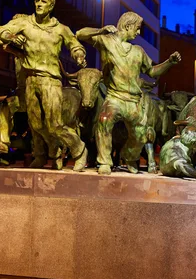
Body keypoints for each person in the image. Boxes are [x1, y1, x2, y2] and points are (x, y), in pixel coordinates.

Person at [0, 0, 88, 171]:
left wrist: (79, 54)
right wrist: (10, 36)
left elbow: (75, 44)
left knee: (55, 124)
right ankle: (51, 151)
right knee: (35, 125)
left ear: (51, 6)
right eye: (36, 1)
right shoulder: (24, 23)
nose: (39, 4)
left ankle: (79, 150)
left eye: (43, 2)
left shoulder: (61, 29)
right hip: (30, 80)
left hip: (50, 80)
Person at [76, 12, 181, 175]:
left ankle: (129, 156)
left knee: (141, 134)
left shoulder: (138, 51)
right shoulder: (107, 42)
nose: (138, 33)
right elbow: (80, 34)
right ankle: (104, 162)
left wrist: (169, 63)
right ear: (127, 26)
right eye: (137, 29)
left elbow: (152, 72)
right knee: (104, 120)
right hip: (114, 98)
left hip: (133, 101)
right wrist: (100, 30)